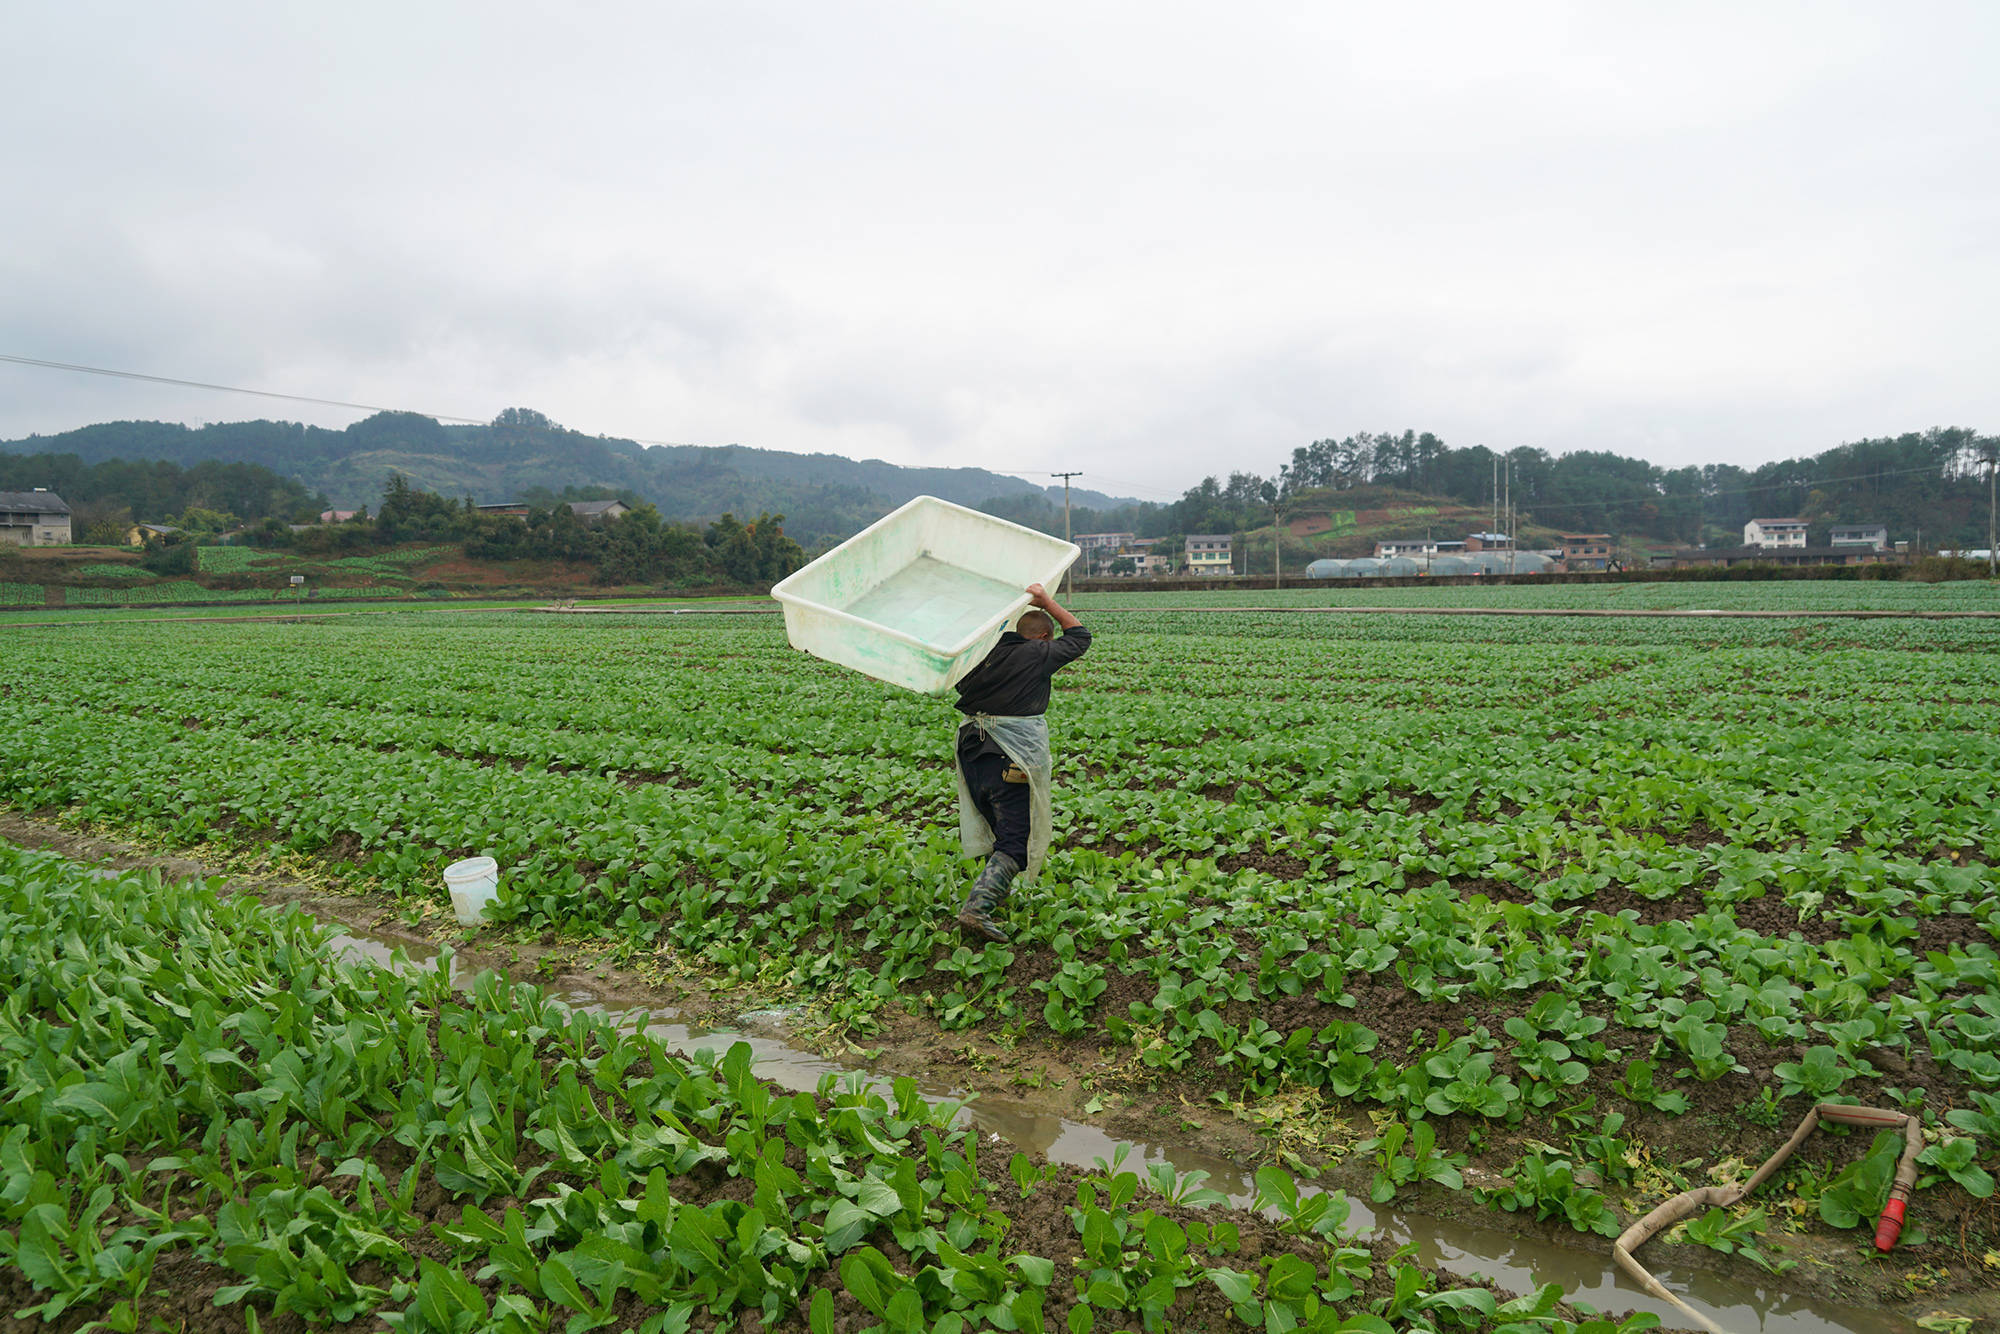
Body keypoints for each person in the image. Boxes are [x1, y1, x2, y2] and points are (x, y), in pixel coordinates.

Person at [950, 582, 1091, 942]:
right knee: (1015, 840)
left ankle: (995, 898)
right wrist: (1046, 600)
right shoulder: (1037, 653)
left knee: (997, 826)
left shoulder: (981, 656)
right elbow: (1080, 637)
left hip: (972, 752)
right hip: (1007, 758)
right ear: (1043, 638)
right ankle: (977, 909)